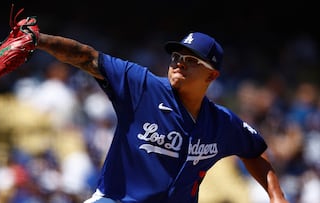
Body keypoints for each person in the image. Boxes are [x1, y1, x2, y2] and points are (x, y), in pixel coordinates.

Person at [33, 30, 289, 203]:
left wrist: (277, 196)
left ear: (212, 76)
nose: (178, 63)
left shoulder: (221, 122)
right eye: (176, 56)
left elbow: (254, 151)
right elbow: (87, 57)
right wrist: (39, 39)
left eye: (190, 60)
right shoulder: (142, 86)